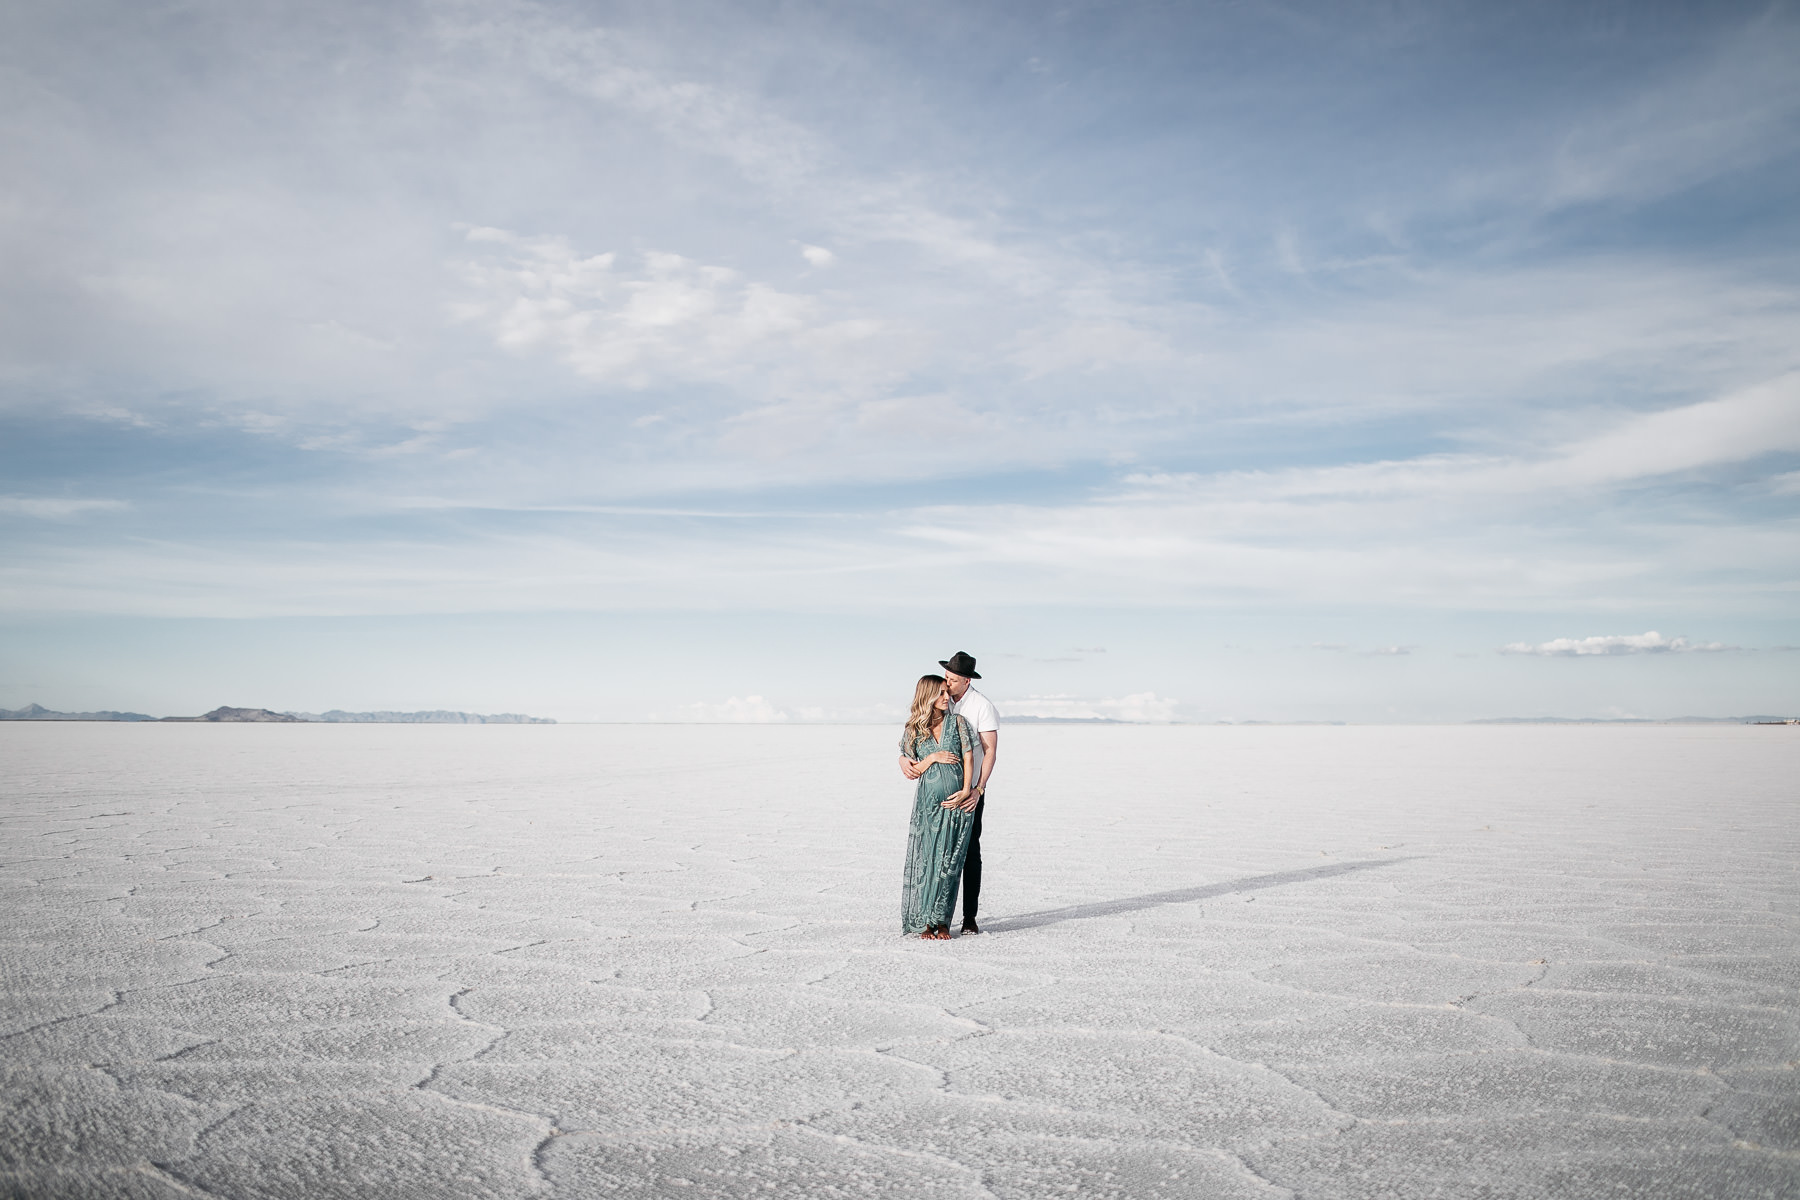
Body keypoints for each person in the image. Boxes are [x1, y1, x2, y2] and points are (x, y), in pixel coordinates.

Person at [899, 651, 999, 934]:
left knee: (967, 853)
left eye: (952, 681)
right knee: (932, 854)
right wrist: (905, 760)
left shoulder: (981, 707)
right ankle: (931, 917)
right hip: (932, 796)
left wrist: (977, 789)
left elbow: (989, 752)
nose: (948, 685)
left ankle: (968, 917)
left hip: (970, 792)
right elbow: (911, 745)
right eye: (945, 679)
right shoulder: (941, 706)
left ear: (966, 681)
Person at [897, 675, 977, 939]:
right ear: (927, 696)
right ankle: (926, 922)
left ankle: (942, 921)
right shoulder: (914, 730)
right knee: (929, 860)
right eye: (941, 693)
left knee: (950, 863)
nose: (947, 697)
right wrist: (931, 757)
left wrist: (967, 790)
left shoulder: (958, 722)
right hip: (928, 805)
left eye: (947, 692)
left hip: (957, 803)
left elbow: (968, 757)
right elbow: (912, 771)